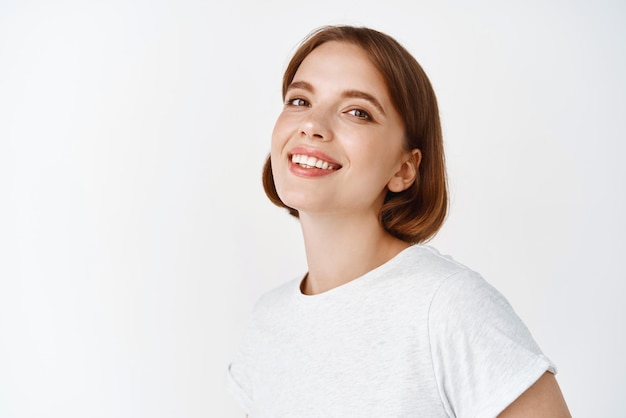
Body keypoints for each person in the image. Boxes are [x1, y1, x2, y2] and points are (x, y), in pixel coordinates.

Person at [227, 25, 570, 417]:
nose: (312, 125)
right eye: (300, 101)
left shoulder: (447, 307)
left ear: (405, 168)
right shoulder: (266, 323)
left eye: (357, 112)